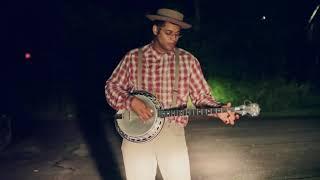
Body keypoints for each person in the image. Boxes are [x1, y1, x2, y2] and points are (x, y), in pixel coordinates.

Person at [105, 8, 239, 180]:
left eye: (177, 35)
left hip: (172, 133)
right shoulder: (133, 57)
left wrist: (218, 109)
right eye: (168, 33)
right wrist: (130, 101)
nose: (173, 39)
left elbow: (202, 97)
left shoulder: (188, 60)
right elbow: (111, 87)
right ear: (155, 30)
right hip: (136, 134)